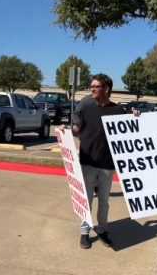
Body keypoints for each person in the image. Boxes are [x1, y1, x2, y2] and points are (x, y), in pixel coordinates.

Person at [60, 73, 139, 249]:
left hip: (107, 165)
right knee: (86, 200)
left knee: (104, 201)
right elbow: (77, 131)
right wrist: (65, 131)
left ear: (106, 89)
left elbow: (132, 132)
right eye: (92, 86)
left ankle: (103, 229)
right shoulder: (87, 108)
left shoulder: (118, 111)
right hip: (87, 163)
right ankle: (84, 233)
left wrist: (135, 117)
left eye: (96, 86)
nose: (92, 89)